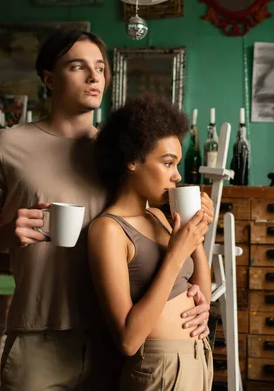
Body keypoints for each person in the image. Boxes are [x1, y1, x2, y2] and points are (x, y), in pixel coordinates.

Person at [0, 28, 213, 390]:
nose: (94, 77)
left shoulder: (126, 152)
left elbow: (160, 240)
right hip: (40, 337)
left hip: (117, 342)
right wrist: (4, 233)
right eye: (78, 66)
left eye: (101, 68)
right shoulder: (7, 145)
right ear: (48, 79)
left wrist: (194, 296)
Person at [88, 94, 214, 391]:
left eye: (177, 164)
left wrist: (194, 230)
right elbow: (129, 340)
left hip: (199, 358)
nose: (177, 175)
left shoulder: (161, 217)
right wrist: (175, 254)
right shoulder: (108, 230)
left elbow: (203, 298)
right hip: (159, 369)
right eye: (168, 163)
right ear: (132, 160)